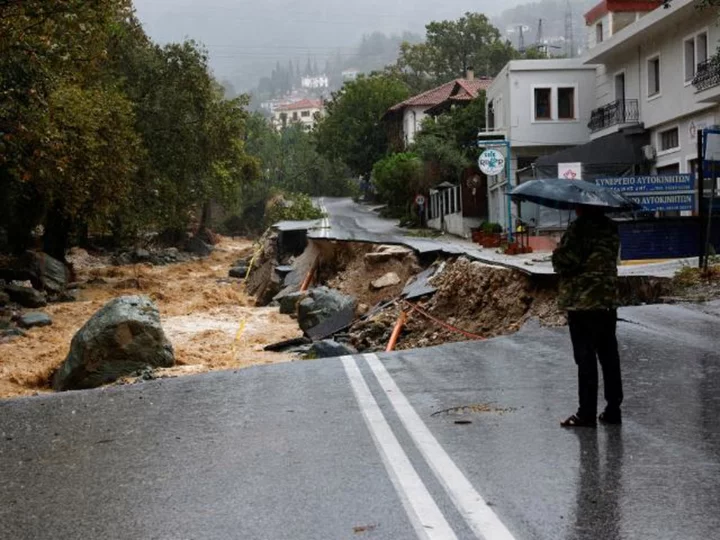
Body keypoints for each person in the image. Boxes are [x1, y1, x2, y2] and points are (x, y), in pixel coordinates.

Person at [552, 205, 623, 428]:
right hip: (606, 300)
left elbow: (565, 262)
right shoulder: (611, 228)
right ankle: (613, 409)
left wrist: (557, 251)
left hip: (583, 301)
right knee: (609, 354)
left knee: (585, 357)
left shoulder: (579, 228)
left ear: (582, 207)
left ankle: (586, 413)